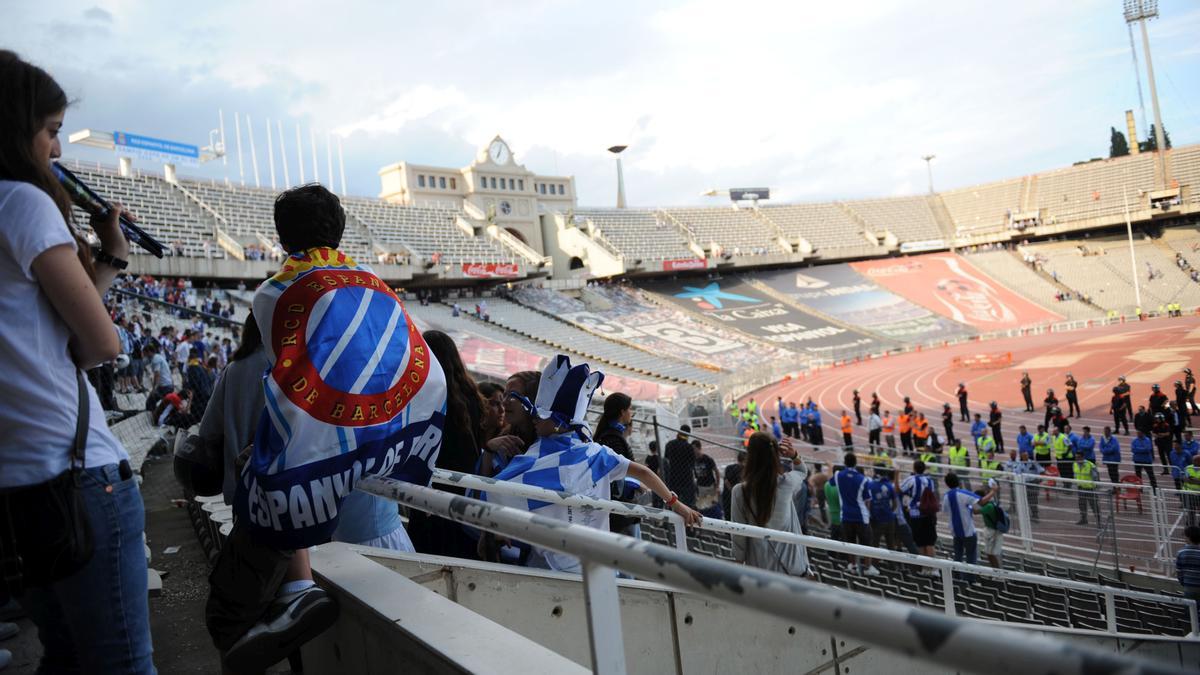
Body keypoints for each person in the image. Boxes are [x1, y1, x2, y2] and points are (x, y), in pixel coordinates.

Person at [207, 183, 449, 673]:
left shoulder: (273, 293)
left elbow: (295, 383)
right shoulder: (376, 283)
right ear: (339, 230)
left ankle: (294, 591)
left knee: (272, 469)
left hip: (332, 454)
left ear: (281, 238)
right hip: (388, 460)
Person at [0, 51, 154, 673]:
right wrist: (109, 258)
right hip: (78, 477)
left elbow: (38, 333)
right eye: (51, 129)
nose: (58, 150)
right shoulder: (24, 203)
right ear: (17, 127)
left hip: (16, 485)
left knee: (63, 660)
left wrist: (105, 264)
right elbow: (100, 344)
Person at [489, 355, 701, 573]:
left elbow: (495, 493)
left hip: (555, 568)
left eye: (540, 415)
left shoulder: (538, 459)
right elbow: (644, 473)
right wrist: (675, 503)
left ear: (558, 422)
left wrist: (499, 526)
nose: (534, 418)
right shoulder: (598, 454)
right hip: (596, 566)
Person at [197, 313, 268, 505]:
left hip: (239, 485)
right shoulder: (289, 369)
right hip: (284, 488)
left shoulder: (233, 369)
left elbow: (208, 431)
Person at [730, 433, 810, 576]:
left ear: (750, 458)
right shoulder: (787, 483)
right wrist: (794, 455)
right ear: (775, 455)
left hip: (760, 571)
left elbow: (738, 535)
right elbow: (802, 471)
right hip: (793, 570)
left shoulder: (739, 492)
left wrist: (738, 564)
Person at [943, 473, 996, 582]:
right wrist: (993, 491)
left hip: (955, 532)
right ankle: (970, 581)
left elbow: (945, 511)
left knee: (957, 556)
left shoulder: (946, 496)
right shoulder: (963, 493)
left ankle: (957, 579)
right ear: (958, 481)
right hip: (968, 531)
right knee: (971, 557)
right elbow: (981, 501)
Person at [832, 453, 878, 575]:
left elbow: (831, 482)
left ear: (845, 462)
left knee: (849, 543)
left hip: (845, 515)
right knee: (867, 543)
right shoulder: (863, 479)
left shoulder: (838, 475)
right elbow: (867, 499)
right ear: (855, 462)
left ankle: (852, 565)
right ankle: (868, 567)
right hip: (861, 516)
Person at [664, 424, 697, 508]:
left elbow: (666, 459)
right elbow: (692, 464)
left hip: (673, 477)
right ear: (688, 434)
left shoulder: (669, 444)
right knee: (688, 503)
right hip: (686, 478)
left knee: (673, 501)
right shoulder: (689, 447)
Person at [1005, 448, 1043, 521]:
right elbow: (1016, 472)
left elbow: (1041, 470)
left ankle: (1035, 515)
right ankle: (1026, 515)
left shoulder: (1033, 463)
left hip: (1033, 483)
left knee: (1033, 500)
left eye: (1026, 455)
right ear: (1021, 457)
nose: (1026, 457)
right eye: (1024, 456)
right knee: (1024, 500)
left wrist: (1039, 480)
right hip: (1023, 484)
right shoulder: (1019, 464)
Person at [868, 469, 899, 551]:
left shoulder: (870, 485)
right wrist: (889, 512)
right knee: (891, 545)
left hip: (877, 520)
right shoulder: (889, 486)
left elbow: (868, 504)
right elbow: (895, 504)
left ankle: (874, 564)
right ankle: (892, 563)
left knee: (874, 545)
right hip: (890, 519)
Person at [976, 489, 1004, 568]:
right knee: (990, 554)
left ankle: (997, 573)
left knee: (992, 554)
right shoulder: (990, 504)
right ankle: (996, 572)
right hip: (991, 531)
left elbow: (975, 511)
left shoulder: (988, 507)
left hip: (993, 533)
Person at [692, 439, 721, 517]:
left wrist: (717, 486)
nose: (693, 451)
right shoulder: (693, 460)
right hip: (701, 487)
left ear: (699, 448)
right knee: (703, 506)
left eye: (694, 449)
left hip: (710, 485)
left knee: (713, 505)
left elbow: (716, 471)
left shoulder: (707, 459)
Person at [1073, 449, 1101, 526]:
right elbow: (1076, 475)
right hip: (1081, 487)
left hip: (1090, 489)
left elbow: (1096, 477)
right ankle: (1083, 519)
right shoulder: (1075, 464)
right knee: (1082, 504)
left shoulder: (1090, 465)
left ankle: (1099, 521)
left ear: (1082, 457)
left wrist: (1096, 487)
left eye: (1078, 457)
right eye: (1076, 457)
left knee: (1094, 505)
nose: (1077, 459)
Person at [1176, 526, 1200, 604]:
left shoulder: (1181, 552)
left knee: (1189, 611)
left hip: (1188, 587)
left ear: (1189, 537)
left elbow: (1179, 572)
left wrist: (1185, 583)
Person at [1185, 455, 1200, 527]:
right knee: (1191, 511)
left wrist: (1192, 480)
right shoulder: (1188, 467)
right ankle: (1191, 526)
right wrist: (1197, 480)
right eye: (1193, 460)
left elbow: (1190, 480)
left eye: (1195, 461)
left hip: (1199, 494)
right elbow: (1186, 479)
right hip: (1190, 493)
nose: (1193, 462)